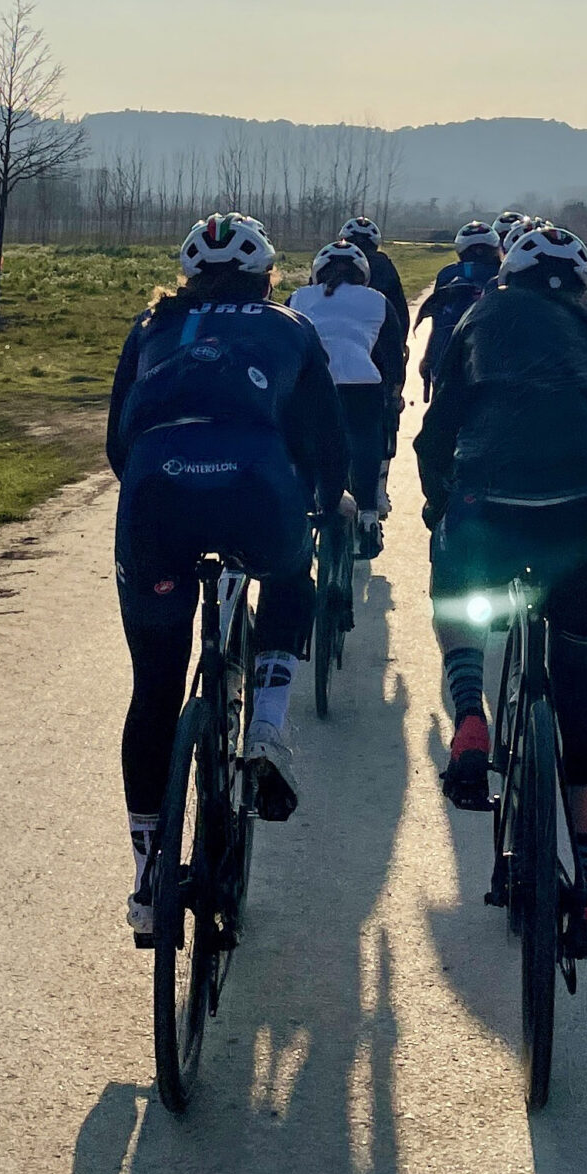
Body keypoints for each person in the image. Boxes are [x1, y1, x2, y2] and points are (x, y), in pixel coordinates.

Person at [416, 222, 587, 959]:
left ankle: (468, 717)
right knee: (585, 705)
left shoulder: (480, 317)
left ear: (509, 278)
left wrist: (439, 507)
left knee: (459, 596)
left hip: (491, 506)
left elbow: (436, 431)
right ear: (584, 286)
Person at [106, 212, 348, 937]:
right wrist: (325, 499)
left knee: (153, 689)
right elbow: (325, 444)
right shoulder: (290, 326)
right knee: (289, 572)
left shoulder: (149, 327)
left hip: (155, 497)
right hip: (256, 489)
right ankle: (267, 727)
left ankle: (150, 882)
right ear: (267, 275)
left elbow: (119, 442)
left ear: (188, 276)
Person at [289, 240, 406, 557]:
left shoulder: (299, 297)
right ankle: (368, 514)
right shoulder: (377, 300)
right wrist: (393, 394)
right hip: (360, 381)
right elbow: (393, 356)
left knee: (303, 442)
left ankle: (300, 509)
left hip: (311, 382)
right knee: (365, 437)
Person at [415, 218, 503, 399]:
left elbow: (437, 322)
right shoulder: (502, 274)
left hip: (445, 356)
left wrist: (428, 359)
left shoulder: (447, 275)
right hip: (493, 362)